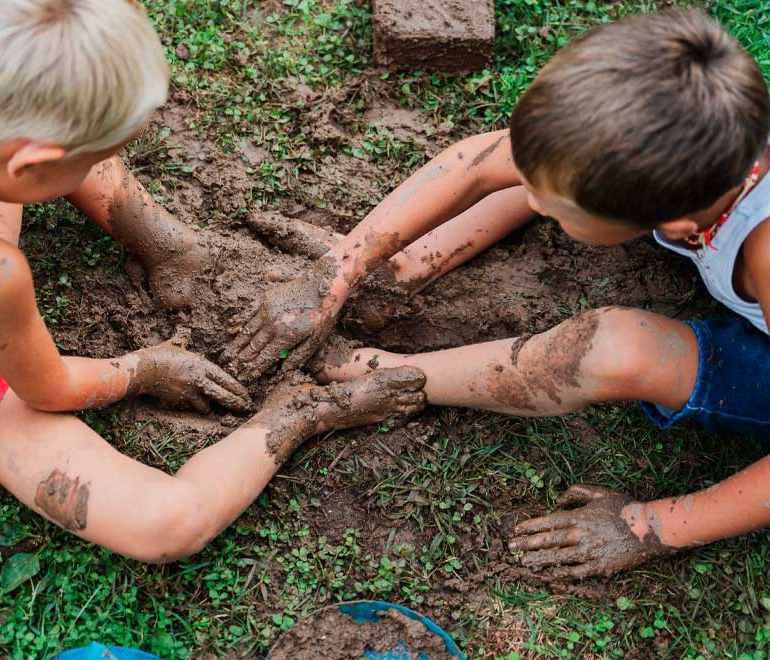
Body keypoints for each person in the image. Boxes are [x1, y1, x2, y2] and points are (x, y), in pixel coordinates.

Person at [0, 0, 426, 562]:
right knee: (167, 525)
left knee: (41, 133)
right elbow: (49, 389)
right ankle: (301, 411)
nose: (95, 164)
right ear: (30, 163)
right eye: (88, 159)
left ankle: (170, 247)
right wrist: (147, 369)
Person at [224, 9, 770, 578]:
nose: (532, 203)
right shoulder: (695, 127)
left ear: (677, 219)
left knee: (612, 348)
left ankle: (392, 373)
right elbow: (479, 165)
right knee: (552, 173)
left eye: (553, 212)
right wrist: (337, 272)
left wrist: (652, 526)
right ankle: (406, 272)